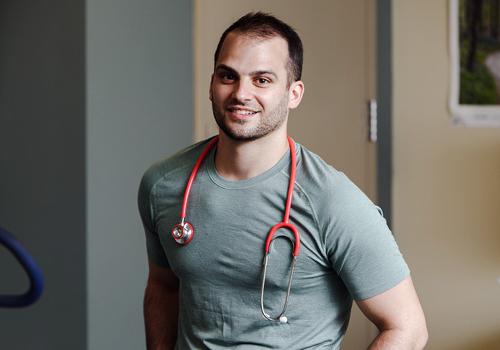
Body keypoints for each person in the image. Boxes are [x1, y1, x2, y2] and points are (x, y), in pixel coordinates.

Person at [138, 12, 427, 350]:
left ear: (294, 93)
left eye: (262, 80)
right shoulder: (163, 185)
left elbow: (408, 328)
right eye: (228, 76)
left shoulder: (333, 202)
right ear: (212, 83)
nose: (241, 93)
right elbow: (163, 287)